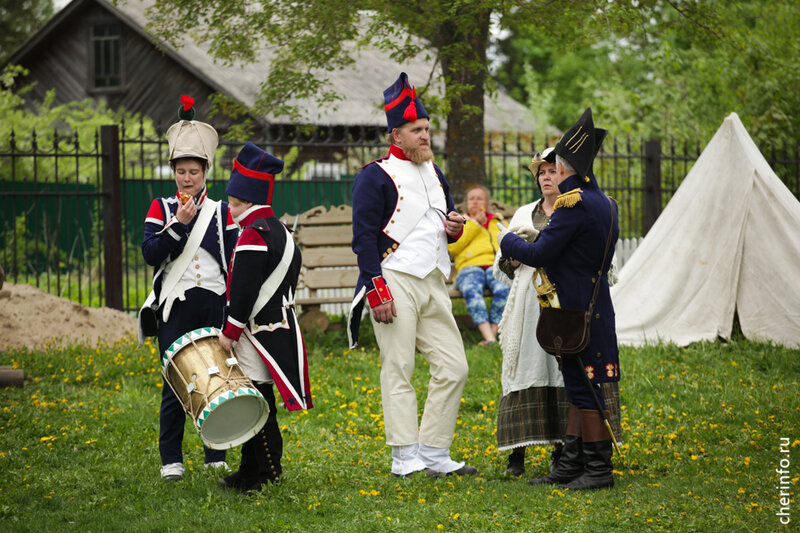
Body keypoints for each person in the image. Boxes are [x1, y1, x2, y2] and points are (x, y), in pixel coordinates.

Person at [347, 72, 478, 479]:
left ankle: (435, 451)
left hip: (433, 281)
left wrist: (453, 228)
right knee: (398, 367)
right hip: (394, 279)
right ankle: (404, 456)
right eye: (417, 130)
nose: (425, 136)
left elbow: (445, 228)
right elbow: (364, 238)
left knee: (454, 367)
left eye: (426, 129)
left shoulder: (436, 174)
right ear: (396, 135)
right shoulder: (375, 175)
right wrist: (376, 289)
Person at [498, 108, 620, 490]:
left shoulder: (573, 204)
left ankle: (598, 471)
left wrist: (506, 238)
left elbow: (538, 254)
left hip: (572, 309)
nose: (555, 174)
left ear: (567, 170)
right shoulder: (606, 203)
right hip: (593, 305)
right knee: (579, 385)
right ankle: (570, 465)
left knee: (584, 388)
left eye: (558, 168)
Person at [140, 95, 238, 481]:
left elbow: (232, 261)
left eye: (193, 171)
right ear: (173, 172)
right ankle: (171, 460)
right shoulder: (159, 208)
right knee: (175, 385)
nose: (187, 178)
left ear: (204, 172)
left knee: (218, 380)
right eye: (181, 171)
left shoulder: (221, 211)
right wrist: (178, 224)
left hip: (213, 305)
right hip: (175, 310)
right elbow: (151, 254)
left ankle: (217, 454)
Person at [217, 142, 313, 493]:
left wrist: (230, 331)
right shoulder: (280, 231)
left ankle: (267, 472)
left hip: (254, 333)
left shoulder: (252, 235)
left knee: (258, 404)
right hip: (278, 328)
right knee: (257, 401)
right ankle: (249, 470)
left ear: (243, 200)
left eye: (232, 201)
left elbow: (242, 292)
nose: (230, 207)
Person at [448, 185, 509, 346]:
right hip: (469, 268)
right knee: (472, 289)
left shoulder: (498, 221)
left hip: (494, 265)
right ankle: (489, 337)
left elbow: (510, 241)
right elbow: (453, 247)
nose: (475, 202)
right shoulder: (460, 222)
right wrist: (475, 224)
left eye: (479, 198)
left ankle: (492, 336)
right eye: (471, 199)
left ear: (487, 203)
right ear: (467, 203)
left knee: (504, 288)